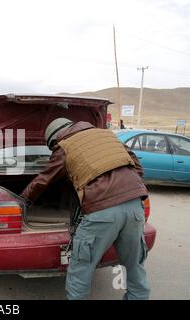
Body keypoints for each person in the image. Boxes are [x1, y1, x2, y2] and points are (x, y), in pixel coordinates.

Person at [20, 118, 150, 300]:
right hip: (135, 205)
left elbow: (44, 180)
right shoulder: (107, 135)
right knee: (134, 263)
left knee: (82, 266)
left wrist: (23, 199)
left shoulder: (64, 146)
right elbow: (137, 168)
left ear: (55, 138)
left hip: (102, 211)